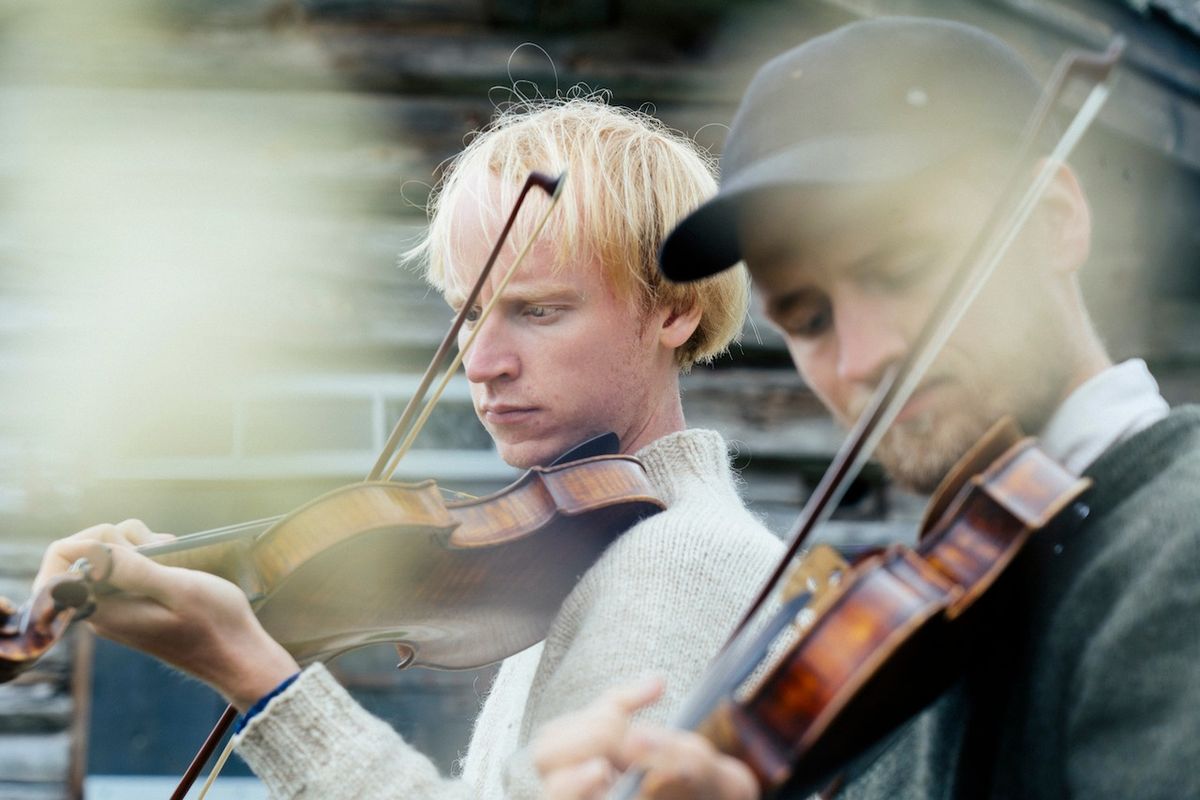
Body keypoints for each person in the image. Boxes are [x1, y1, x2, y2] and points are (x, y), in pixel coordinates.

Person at [32, 98, 784, 798]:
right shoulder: (594, 539)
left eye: (539, 310)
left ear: (675, 310)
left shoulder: (678, 561)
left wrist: (258, 678)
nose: (483, 362)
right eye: (470, 314)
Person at [532, 17, 1200, 800]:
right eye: (809, 319)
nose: (860, 357)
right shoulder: (922, 622)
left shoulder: (1174, 548)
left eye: (905, 269)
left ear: (1053, 222)